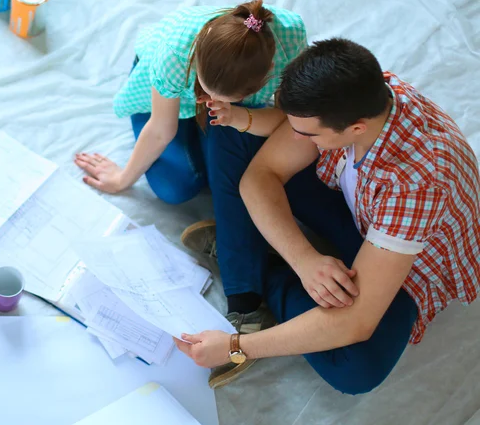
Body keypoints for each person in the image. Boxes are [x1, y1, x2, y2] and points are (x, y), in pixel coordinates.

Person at [177, 38, 480, 393]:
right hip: (361, 209)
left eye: (308, 133)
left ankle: (254, 259)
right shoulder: (358, 91)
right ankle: (246, 296)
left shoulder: (418, 185)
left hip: (405, 264)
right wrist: (305, 260)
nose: (293, 136)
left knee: (356, 369)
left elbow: (357, 324)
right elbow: (261, 177)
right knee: (233, 134)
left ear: (355, 129)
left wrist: (236, 347)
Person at [74, 0, 307, 204]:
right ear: (197, 59)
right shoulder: (174, 54)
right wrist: (122, 179)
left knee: (235, 177)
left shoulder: (291, 37)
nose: (211, 101)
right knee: (174, 188)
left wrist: (236, 114)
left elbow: (285, 119)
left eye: (230, 98)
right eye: (207, 91)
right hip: (163, 90)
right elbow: (160, 129)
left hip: (228, 105)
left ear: (270, 70)